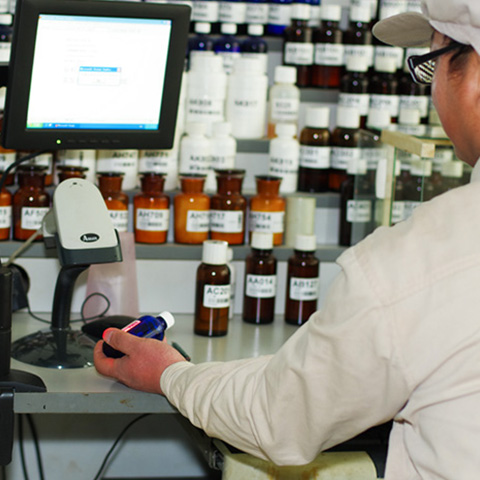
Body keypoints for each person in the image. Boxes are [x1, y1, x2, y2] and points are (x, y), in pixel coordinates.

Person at [94, 1, 480, 478]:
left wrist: (170, 373)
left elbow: (279, 416)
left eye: (430, 63)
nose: (431, 89)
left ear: (474, 76)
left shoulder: (418, 263)